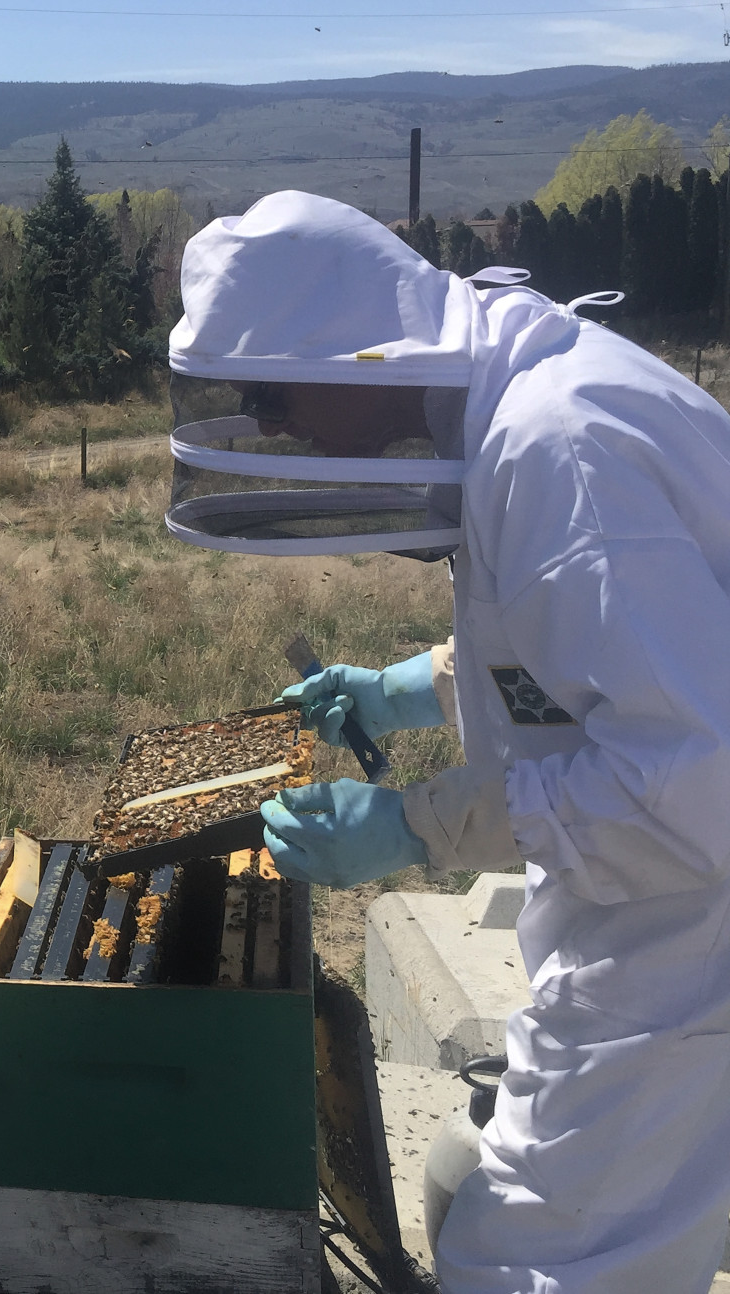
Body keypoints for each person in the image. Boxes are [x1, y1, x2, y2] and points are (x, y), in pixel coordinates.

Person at [166, 188, 730, 1293]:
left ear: (358, 358)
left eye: (272, 392)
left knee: (532, 1263)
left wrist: (418, 824)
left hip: (689, 926)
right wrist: (403, 691)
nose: (269, 424)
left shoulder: (560, 452)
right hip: (664, 903)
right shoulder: (521, 399)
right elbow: (573, 660)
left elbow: (692, 788)